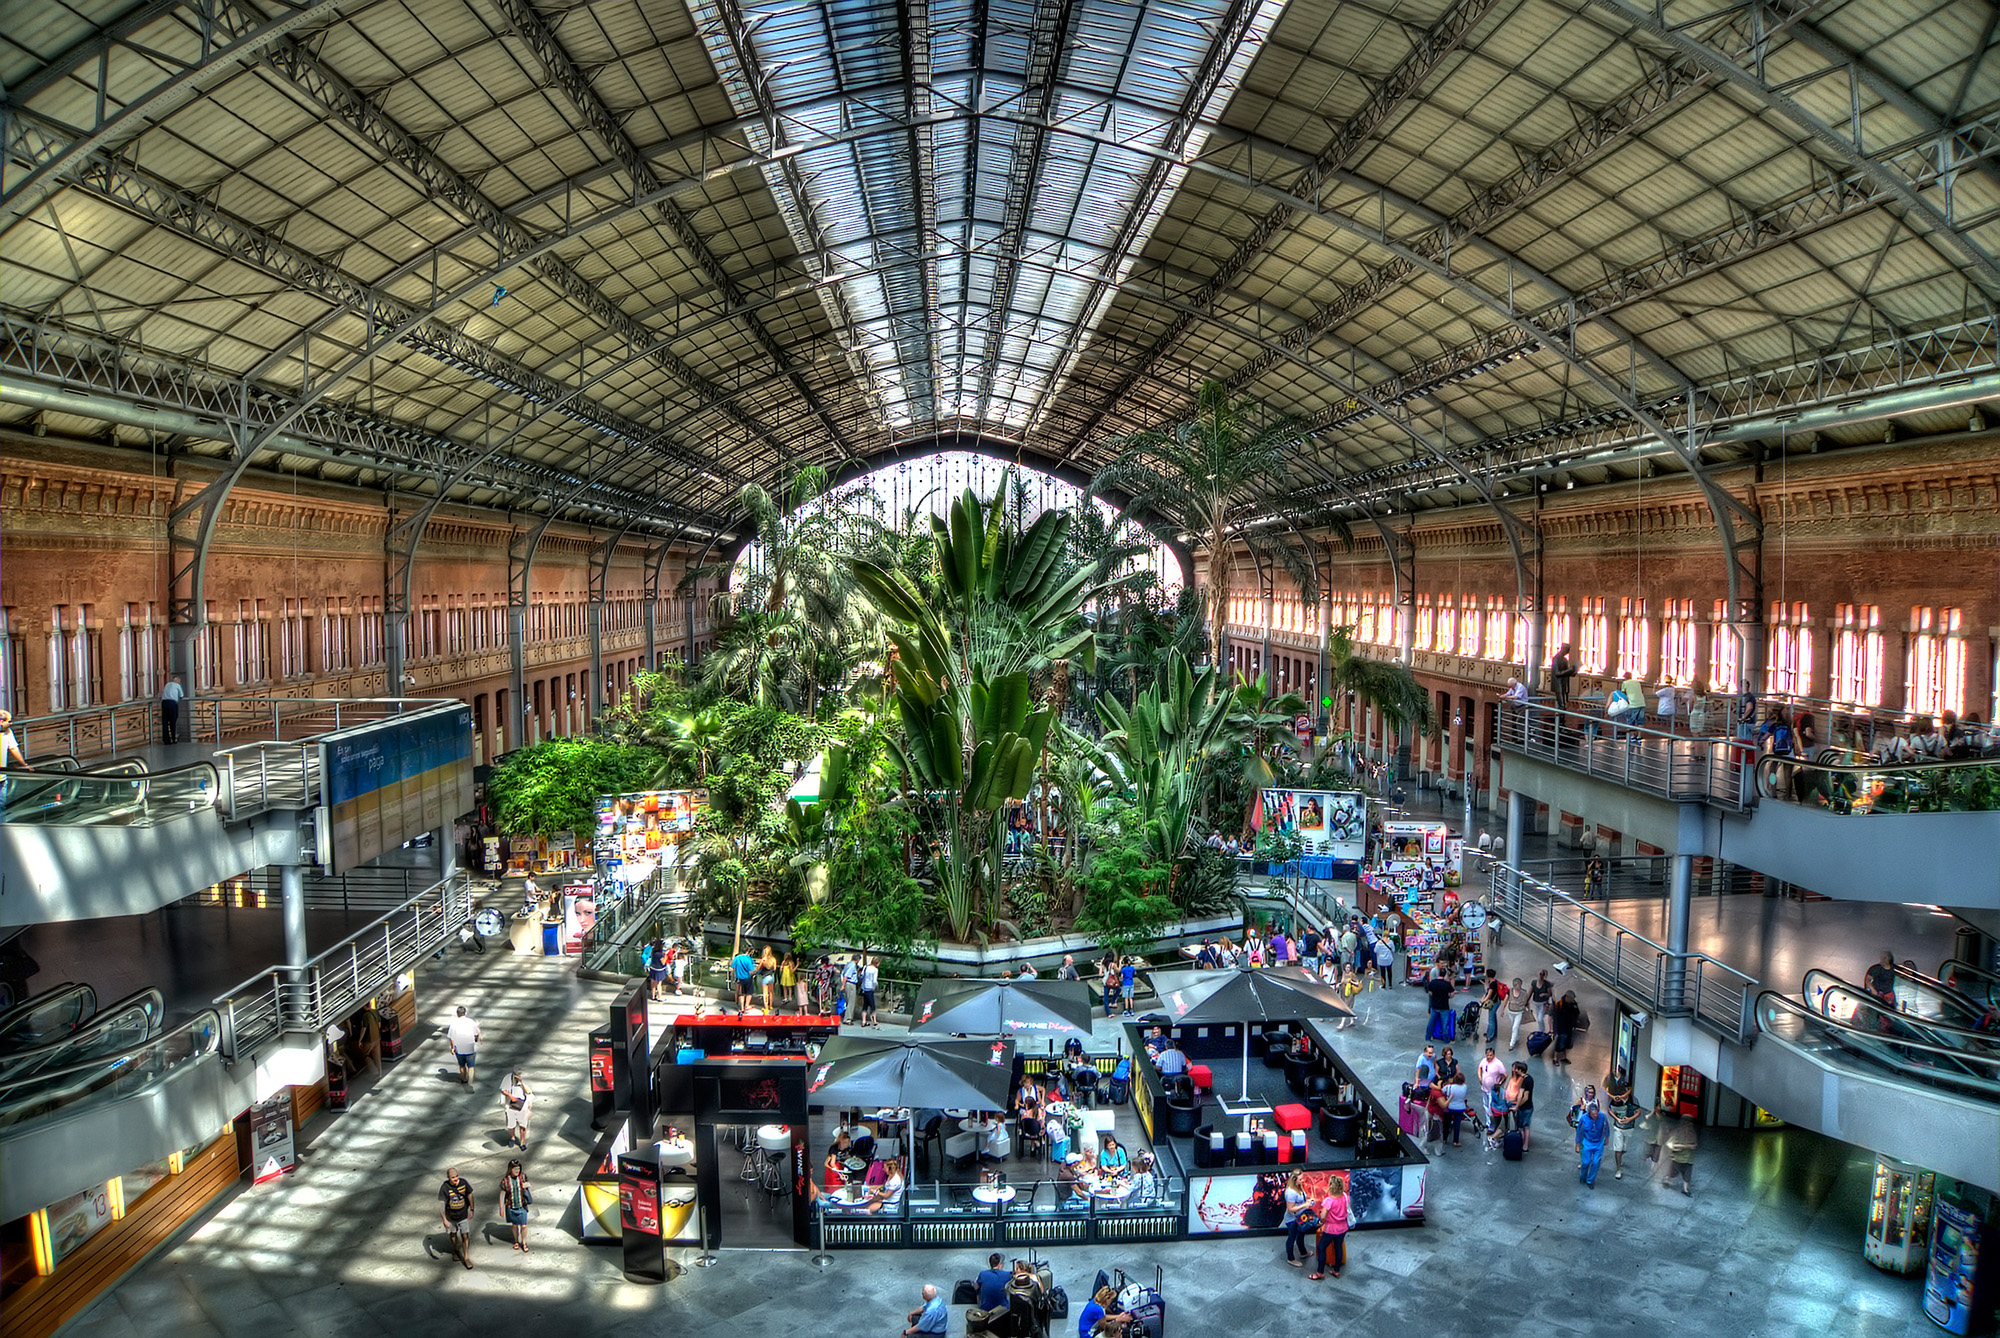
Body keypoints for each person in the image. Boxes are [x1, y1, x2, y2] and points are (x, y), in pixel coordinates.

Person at [1308, 1172, 1350, 1280]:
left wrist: (1321, 1218)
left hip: (1331, 1229)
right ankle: (1336, 1270)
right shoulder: (1345, 1196)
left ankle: (1320, 1272)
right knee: (1338, 1247)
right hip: (1343, 1227)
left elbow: (1323, 1216)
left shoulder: (1328, 1201)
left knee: (1321, 1247)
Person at [438, 1166, 476, 1268]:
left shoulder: (463, 1183)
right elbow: (441, 1203)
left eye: (457, 1176)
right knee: (453, 1234)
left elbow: (470, 1194)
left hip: (463, 1215)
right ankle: (455, 1250)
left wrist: (472, 1209)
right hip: (451, 1216)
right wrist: (444, 1219)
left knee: (465, 1235)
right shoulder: (445, 1187)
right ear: (448, 1178)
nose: (456, 1179)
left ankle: (466, 1257)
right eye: (453, 1177)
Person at [497, 1159, 532, 1253]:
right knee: (515, 1225)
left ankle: (524, 1242)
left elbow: (529, 1184)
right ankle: (516, 1241)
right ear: (510, 1169)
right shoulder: (505, 1181)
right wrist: (501, 1208)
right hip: (511, 1206)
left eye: (518, 1169)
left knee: (524, 1226)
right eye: (515, 1169)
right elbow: (502, 1194)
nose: (517, 1171)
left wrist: (526, 1185)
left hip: (522, 1205)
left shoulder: (523, 1176)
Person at [1281, 1170, 1312, 1267]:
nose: (1302, 1181)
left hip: (1300, 1217)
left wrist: (1308, 1201)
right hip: (1292, 1220)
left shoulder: (1299, 1188)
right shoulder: (1290, 1192)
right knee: (1292, 1237)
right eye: (1300, 1179)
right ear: (1294, 1180)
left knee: (1301, 1235)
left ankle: (1303, 1253)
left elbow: (1301, 1199)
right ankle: (1290, 1258)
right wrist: (1304, 1205)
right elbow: (1290, 1209)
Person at [1575, 1100, 1609, 1187]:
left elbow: (1606, 1127)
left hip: (1598, 1142)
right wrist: (1578, 1144)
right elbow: (1579, 1131)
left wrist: (1606, 1137)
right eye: (1593, 1114)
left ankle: (1590, 1180)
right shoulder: (1583, 1118)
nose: (1595, 1116)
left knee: (1596, 1162)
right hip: (1587, 1142)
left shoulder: (1603, 1117)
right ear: (1589, 1113)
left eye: (1596, 1113)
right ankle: (1583, 1177)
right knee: (1586, 1162)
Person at [446, 1006, 480, 1087]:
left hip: (459, 1047)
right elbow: (476, 1034)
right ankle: (470, 1082)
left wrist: (452, 1048)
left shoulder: (454, 1023)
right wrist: (475, 1040)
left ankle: (464, 1079)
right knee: (471, 1066)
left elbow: (451, 1038)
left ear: (457, 1014)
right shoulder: (471, 1022)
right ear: (465, 1013)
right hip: (470, 1047)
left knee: (462, 1065)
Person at [1608, 1089, 1639, 1179]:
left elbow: (1638, 1112)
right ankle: (1618, 1169)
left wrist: (1630, 1119)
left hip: (1629, 1128)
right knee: (1618, 1148)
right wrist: (1616, 1119)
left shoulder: (1633, 1100)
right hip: (1618, 1127)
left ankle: (1620, 1157)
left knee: (1624, 1148)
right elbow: (1610, 1110)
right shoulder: (1615, 1100)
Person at [499, 1066, 532, 1149]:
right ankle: (512, 1137)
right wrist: (510, 1096)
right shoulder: (508, 1078)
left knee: (523, 1125)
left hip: (523, 1105)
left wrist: (522, 1083)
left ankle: (522, 1142)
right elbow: (503, 1089)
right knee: (511, 1125)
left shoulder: (525, 1079)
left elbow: (528, 1092)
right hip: (511, 1106)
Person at [1664, 1114, 1698, 1195]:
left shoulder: (1692, 1133)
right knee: (1672, 1173)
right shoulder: (1677, 1132)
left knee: (1687, 1175)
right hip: (1677, 1158)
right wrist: (1686, 1146)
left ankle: (1685, 1190)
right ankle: (1666, 1180)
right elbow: (1671, 1145)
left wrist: (1692, 1146)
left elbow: (1694, 1144)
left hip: (1688, 1159)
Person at [1506, 1061, 1534, 1151]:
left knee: (1521, 1127)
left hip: (1524, 1108)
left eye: (1516, 1069)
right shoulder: (1529, 1078)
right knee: (1527, 1127)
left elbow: (1524, 1097)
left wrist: (1516, 1107)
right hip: (1529, 1107)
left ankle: (1520, 1144)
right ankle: (1525, 1146)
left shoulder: (1524, 1081)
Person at [1423, 968, 1453, 1039]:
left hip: (1434, 1006)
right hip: (1444, 1006)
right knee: (1444, 1024)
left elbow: (1430, 992)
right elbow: (1452, 994)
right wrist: (1448, 996)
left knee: (1431, 1023)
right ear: (1445, 975)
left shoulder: (1433, 983)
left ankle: (1428, 1036)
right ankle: (1445, 1038)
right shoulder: (1447, 984)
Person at [1551, 991, 1579, 1066]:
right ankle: (1555, 1058)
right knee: (1560, 1041)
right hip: (1561, 1026)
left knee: (1567, 1042)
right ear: (1567, 997)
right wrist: (1554, 1028)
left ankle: (1564, 1057)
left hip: (1569, 1026)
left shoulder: (1573, 1004)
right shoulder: (1560, 1004)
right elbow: (1554, 1015)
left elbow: (1577, 1013)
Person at [1442, 1072, 1469, 1148]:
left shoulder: (1449, 1087)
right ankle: (1456, 1141)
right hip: (1460, 1107)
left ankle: (1444, 1139)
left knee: (1446, 1124)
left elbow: (1442, 1091)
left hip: (1450, 1107)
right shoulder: (1465, 1087)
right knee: (1457, 1124)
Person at [1503, 976, 1530, 1050]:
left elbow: (1525, 1002)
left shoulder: (1524, 993)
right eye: (1517, 986)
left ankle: (1512, 1044)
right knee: (1513, 1026)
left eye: (1520, 986)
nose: (1519, 988)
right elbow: (1506, 1000)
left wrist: (1522, 1004)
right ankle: (1516, 1036)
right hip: (1511, 1011)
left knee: (1515, 1027)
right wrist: (1503, 1009)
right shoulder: (1510, 991)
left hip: (1519, 1012)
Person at [159, 674, 185, 745]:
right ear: (178, 681)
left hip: (164, 702)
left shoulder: (167, 684)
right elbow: (181, 695)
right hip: (172, 703)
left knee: (165, 722)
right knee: (173, 721)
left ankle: (166, 740)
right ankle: (173, 738)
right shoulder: (177, 685)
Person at [1549, 645, 1575, 713]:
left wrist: (1573, 671)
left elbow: (1567, 671)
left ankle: (1561, 721)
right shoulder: (1556, 658)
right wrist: (1569, 670)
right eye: (1567, 651)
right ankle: (1560, 721)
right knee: (1562, 706)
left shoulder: (1565, 660)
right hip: (1559, 685)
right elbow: (1557, 673)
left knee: (1564, 706)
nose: (1568, 653)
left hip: (1564, 685)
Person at [732, 946, 757, 1014]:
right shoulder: (749, 960)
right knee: (749, 993)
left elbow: (733, 967)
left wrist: (733, 977)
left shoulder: (737, 958)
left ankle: (741, 1008)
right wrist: (756, 971)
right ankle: (747, 1006)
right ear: (750, 952)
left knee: (741, 993)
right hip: (747, 978)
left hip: (739, 978)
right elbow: (751, 971)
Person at [1481, 970, 1503, 1043]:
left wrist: (1483, 1000)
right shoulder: (1495, 981)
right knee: (1493, 1017)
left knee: (1491, 1020)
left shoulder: (1492, 984)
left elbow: (1489, 994)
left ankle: (1490, 1036)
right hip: (1497, 1001)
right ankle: (1493, 1033)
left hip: (1493, 1002)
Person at [1530, 970, 1554, 1034]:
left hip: (1543, 1003)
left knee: (1540, 1018)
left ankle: (1541, 1031)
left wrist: (1544, 994)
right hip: (1536, 1002)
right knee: (1538, 1018)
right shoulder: (1534, 982)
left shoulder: (1547, 984)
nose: (1541, 976)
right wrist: (1526, 1001)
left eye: (1543, 974)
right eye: (1540, 974)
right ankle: (1541, 1029)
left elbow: (1550, 994)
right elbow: (1530, 992)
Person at [860, 955, 881, 1026]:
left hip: (864, 988)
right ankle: (874, 1021)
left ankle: (863, 1021)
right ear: (877, 963)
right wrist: (876, 986)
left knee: (865, 1005)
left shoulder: (866, 967)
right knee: (872, 1005)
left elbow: (862, 975)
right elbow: (874, 981)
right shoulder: (875, 970)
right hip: (870, 988)